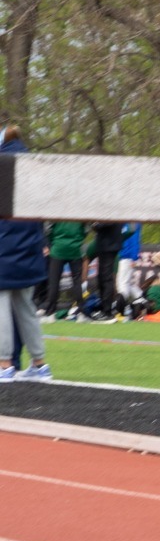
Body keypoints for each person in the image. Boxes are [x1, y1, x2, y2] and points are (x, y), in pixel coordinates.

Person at [0, 124, 51, 382]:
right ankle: (39, 363)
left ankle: (4, 364)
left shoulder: (3, 162)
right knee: (26, 308)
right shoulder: (33, 162)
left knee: (1, 306)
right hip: (30, 245)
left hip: (4, 244)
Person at [44, 221, 87, 320]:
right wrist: (78, 240)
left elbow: (47, 230)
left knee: (54, 282)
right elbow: (85, 231)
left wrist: (52, 243)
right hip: (75, 249)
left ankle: (50, 313)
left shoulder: (57, 210)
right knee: (77, 282)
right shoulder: (80, 211)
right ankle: (81, 312)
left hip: (58, 248)